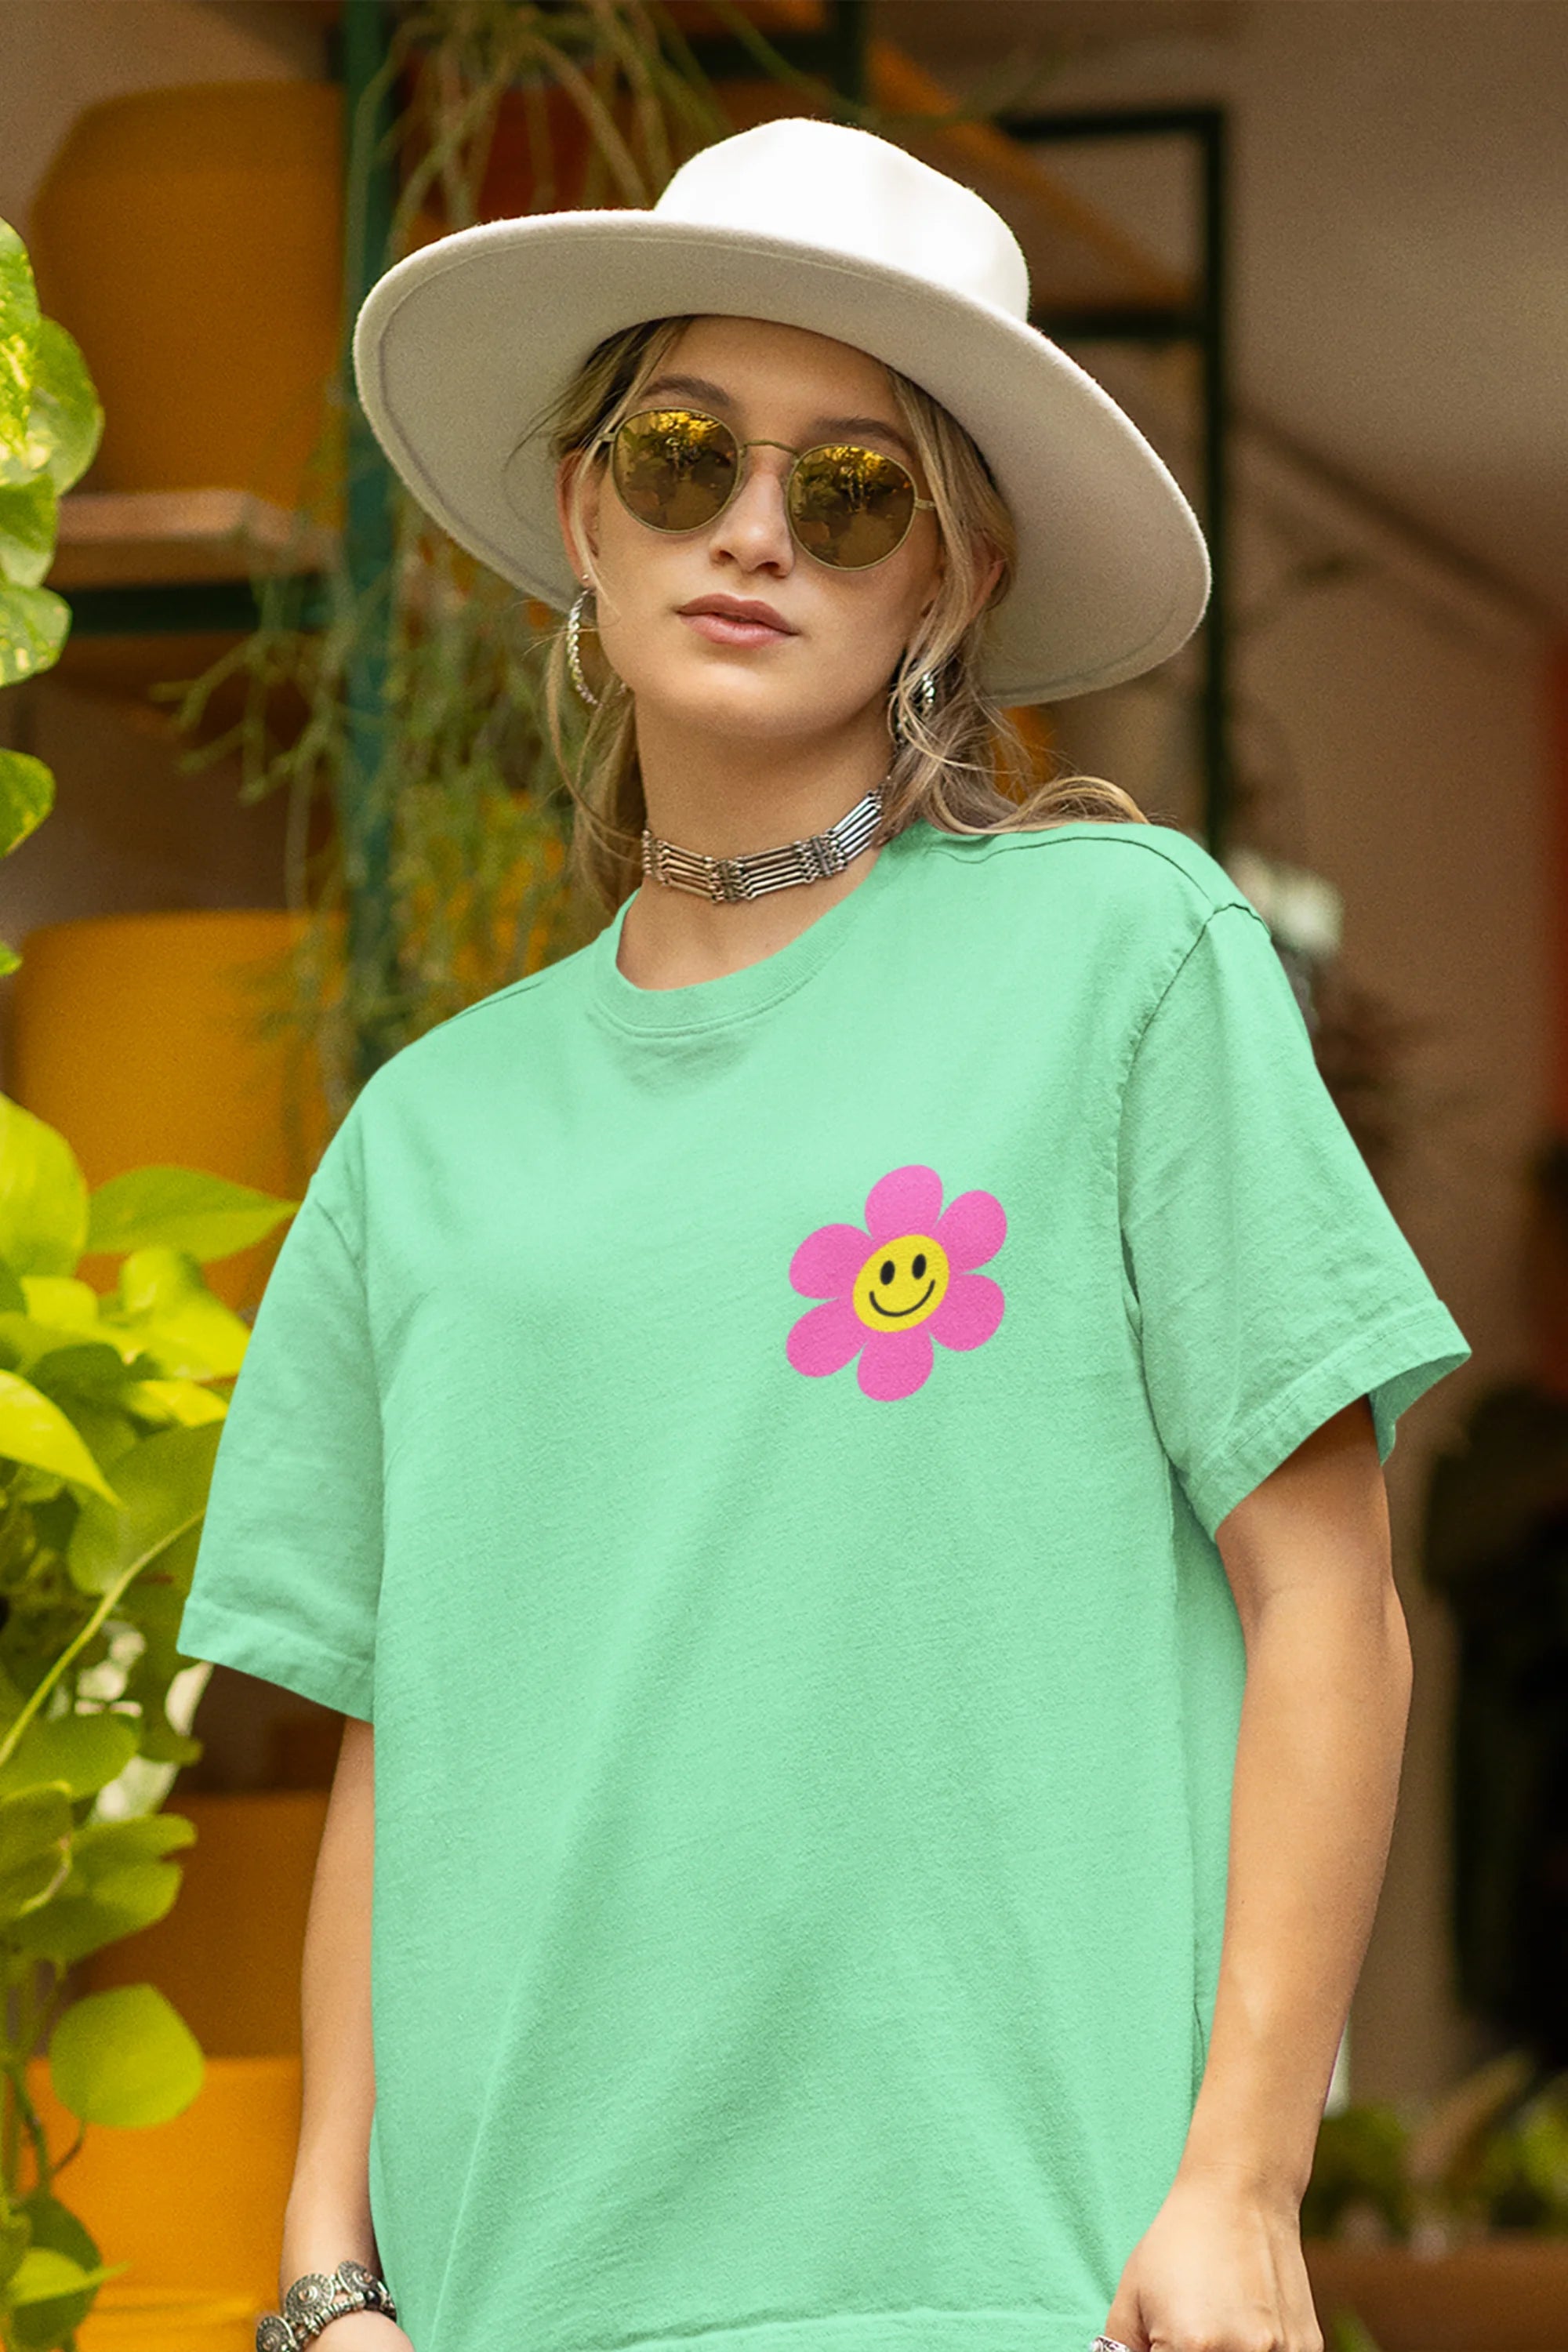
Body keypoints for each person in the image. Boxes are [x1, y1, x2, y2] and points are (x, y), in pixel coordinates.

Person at [176, 118, 1472, 2352]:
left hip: (1016, 2281)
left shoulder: (1122, 962)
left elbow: (1333, 1606)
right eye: (683, 457)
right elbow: (412, 1732)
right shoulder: (425, 1139)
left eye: (851, 489)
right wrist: (326, 2280)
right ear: (585, 516)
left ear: (949, 582)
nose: (754, 529)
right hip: (511, 2294)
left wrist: (1243, 2187)